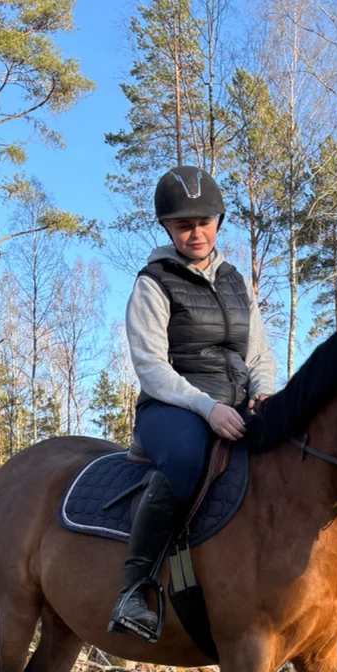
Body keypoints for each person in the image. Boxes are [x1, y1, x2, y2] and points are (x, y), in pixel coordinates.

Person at [108, 165, 277, 639]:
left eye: (205, 222)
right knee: (186, 459)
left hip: (237, 403)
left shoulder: (236, 282)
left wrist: (263, 392)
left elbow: (258, 354)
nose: (196, 233)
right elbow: (151, 366)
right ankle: (133, 589)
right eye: (184, 225)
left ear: (218, 221)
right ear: (166, 227)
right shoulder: (153, 282)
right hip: (172, 407)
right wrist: (207, 408)